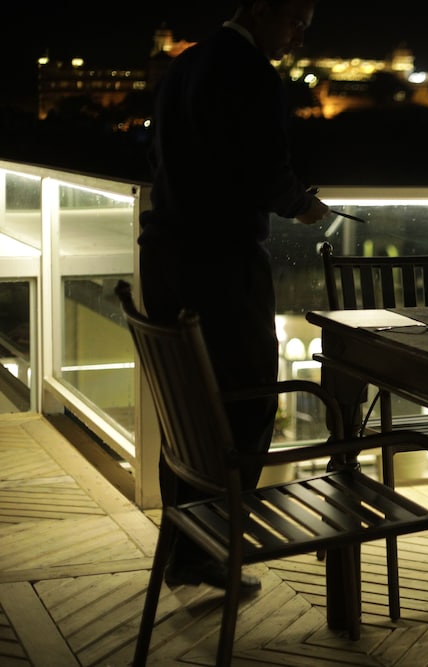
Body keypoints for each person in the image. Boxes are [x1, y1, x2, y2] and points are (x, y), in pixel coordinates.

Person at [138, 0, 330, 592]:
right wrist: (302, 204)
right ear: (263, 10)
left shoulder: (187, 64)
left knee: (188, 411)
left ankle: (186, 548)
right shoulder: (251, 72)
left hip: (166, 256)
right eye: (296, 22)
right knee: (248, 404)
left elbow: (170, 157)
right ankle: (216, 546)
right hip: (221, 266)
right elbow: (265, 168)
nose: (299, 37)